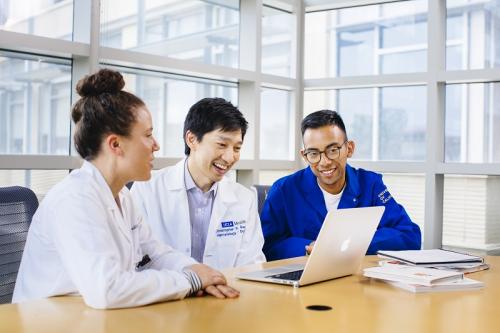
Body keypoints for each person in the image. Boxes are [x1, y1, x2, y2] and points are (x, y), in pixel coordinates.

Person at [13, 69, 238, 309]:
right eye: (148, 135)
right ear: (115, 144)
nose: (156, 145)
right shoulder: (74, 199)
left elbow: (153, 254)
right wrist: (189, 280)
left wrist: (198, 271)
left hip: (91, 318)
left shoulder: (121, 195)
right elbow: (107, 289)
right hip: (48, 322)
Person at [261, 110, 421, 261]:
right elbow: (265, 246)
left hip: (358, 281)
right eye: (314, 153)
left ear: (349, 149)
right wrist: (308, 248)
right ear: (305, 155)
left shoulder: (371, 185)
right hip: (302, 282)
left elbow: (409, 235)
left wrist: (354, 244)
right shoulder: (283, 190)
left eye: (332, 150)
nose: (324, 162)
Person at [132, 98, 265, 270]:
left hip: (226, 294)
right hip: (165, 294)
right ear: (192, 139)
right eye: (222, 144)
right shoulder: (147, 189)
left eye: (237, 148)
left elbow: (252, 265)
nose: (229, 157)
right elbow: (135, 260)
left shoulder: (244, 198)